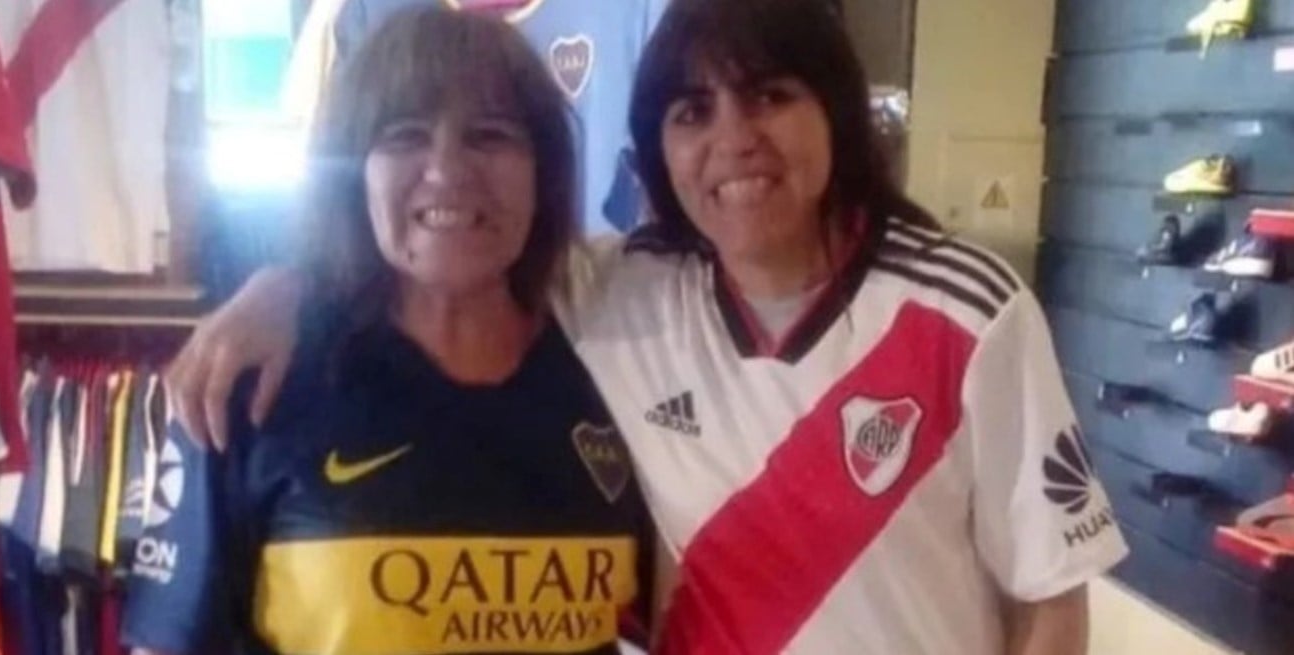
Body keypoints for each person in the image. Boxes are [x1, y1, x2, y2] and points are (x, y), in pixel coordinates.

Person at [167, 0, 1129, 653]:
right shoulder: (619, 286)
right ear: (656, 147)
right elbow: (451, 236)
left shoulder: (967, 306)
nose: (733, 140)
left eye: (770, 96)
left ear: (837, 112)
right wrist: (284, 288)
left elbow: (1050, 595)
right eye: (691, 111)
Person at [122, 8, 653, 655]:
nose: (447, 170)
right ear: (353, 174)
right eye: (405, 137)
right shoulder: (249, 383)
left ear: (544, 173)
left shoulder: (618, 375)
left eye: (489, 136)